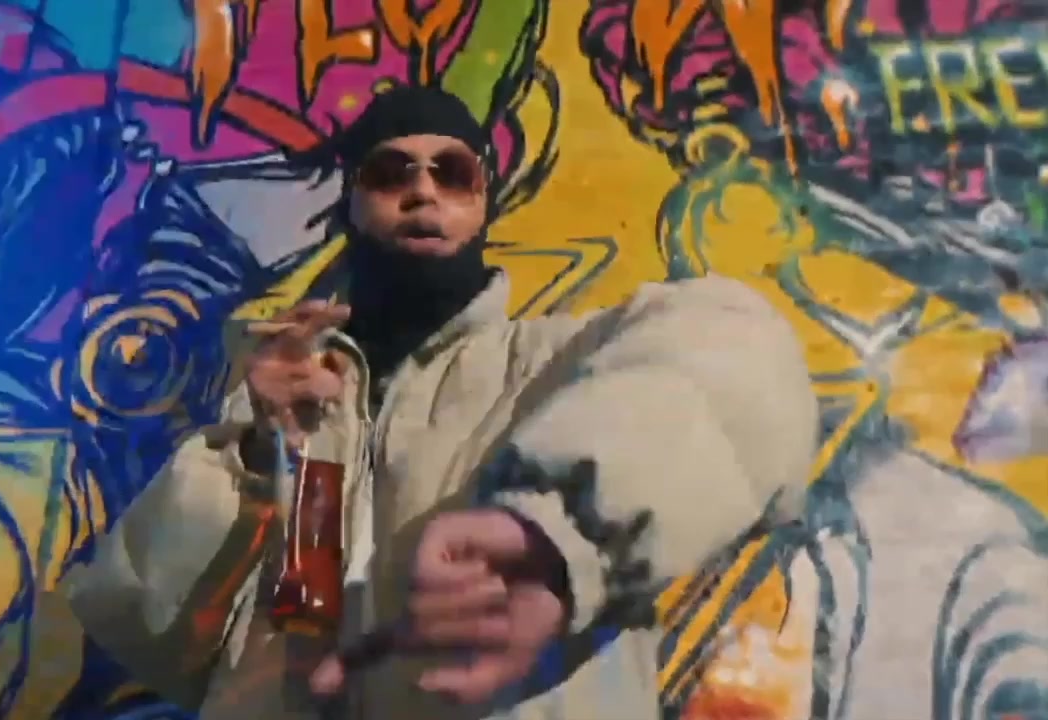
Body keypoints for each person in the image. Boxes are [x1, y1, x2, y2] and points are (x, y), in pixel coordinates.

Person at [59, 85, 819, 720]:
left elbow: (740, 356)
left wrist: (557, 536)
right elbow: (150, 635)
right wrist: (255, 457)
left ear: (484, 203)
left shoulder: (561, 365)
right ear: (351, 201)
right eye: (391, 172)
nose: (423, 191)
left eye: (453, 173)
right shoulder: (287, 400)